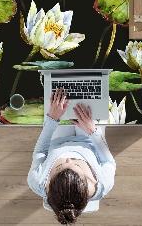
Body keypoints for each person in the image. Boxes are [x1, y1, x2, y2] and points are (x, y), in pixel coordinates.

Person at [28, 87, 116, 224]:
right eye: (76, 165)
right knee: (93, 96)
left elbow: (40, 152)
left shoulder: (37, 182)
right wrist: (92, 131)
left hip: (57, 141)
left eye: (60, 166)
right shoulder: (104, 184)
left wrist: (52, 119)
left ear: (49, 184)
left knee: (58, 101)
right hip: (89, 140)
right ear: (88, 182)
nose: (68, 158)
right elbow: (108, 162)